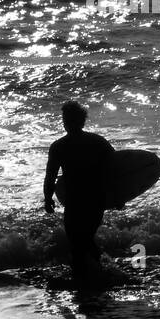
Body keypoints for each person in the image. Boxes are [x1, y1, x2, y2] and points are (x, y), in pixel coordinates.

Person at [43, 100, 115, 283]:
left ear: (72, 121)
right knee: (83, 239)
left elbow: (50, 175)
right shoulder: (97, 142)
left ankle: (90, 278)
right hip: (91, 200)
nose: (64, 122)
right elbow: (116, 170)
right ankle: (97, 274)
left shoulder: (59, 146)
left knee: (79, 241)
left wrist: (48, 198)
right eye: (64, 118)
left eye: (66, 118)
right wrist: (117, 195)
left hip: (80, 201)